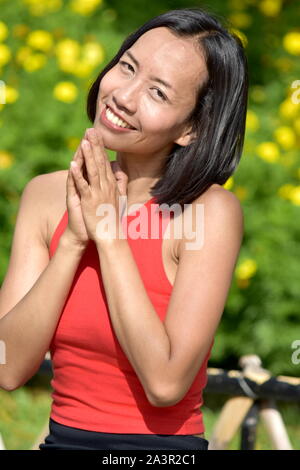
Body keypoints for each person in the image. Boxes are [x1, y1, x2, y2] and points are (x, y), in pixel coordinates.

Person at [0, 7, 247, 450]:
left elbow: (166, 382)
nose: (124, 96)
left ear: (192, 127)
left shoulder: (208, 212)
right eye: (127, 66)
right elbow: (6, 366)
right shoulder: (45, 196)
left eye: (157, 92)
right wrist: (74, 240)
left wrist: (109, 235)